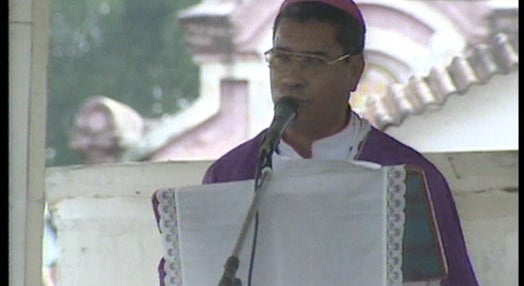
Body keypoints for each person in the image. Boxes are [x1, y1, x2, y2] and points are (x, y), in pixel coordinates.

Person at [202, 0, 479, 285]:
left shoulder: (407, 178)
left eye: (313, 62)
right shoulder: (229, 175)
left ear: (354, 71)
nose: (291, 78)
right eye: (282, 58)